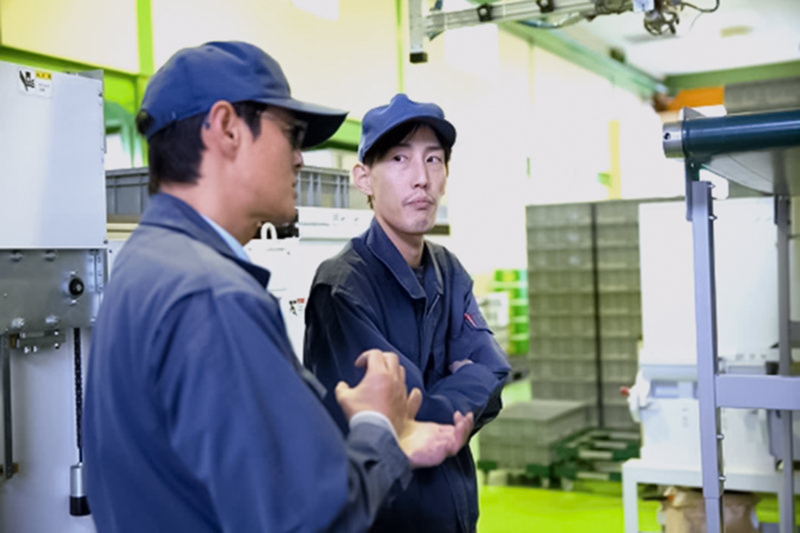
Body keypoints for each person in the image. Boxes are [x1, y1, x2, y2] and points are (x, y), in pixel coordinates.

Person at [82, 42, 473, 533]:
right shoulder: (212, 297)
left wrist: (380, 442)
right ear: (227, 128)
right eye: (291, 135)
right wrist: (378, 426)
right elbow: (310, 518)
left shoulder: (147, 264)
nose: (300, 159)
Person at [303, 93, 511, 533]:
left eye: (434, 160)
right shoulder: (342, 288)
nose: (421, 179)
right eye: (399, 159)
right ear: (363, 178)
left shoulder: (448, 270)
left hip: (456, 515)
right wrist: (461, 386)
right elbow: (391, 418)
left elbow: (493, 371)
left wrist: (433, 402)